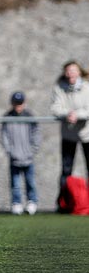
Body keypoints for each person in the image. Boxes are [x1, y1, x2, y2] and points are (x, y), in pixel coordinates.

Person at [50, 60, 89, 207]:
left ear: (79, 72)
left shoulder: (86, 87)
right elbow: (55, 108)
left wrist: (78, 115)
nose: (70, 73)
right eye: (68, 71)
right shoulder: (59, 88)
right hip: (68, 135)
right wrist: (68, 114)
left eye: (73, 70)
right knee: (66, 170)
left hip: (86, 134)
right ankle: (63, 203)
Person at [0, 91, 41, 215]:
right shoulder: (7, 117)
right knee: (15, 183)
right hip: (15, 157)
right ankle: (16, 203)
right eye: (16, 103)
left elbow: (36, 134)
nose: (18, 106)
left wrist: (33, 149)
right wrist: (10, 151)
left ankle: (32, 201)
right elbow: (4, 136)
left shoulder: (29, 116)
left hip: (28, 156)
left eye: (20, 103)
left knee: (30, 181)